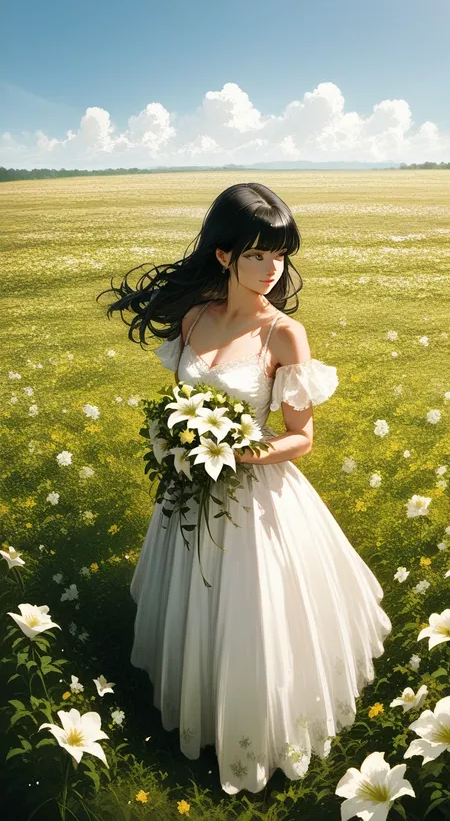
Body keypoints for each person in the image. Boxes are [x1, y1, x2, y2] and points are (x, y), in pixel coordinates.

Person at [96, 183, 392, 796]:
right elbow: (178, 403)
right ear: (225, 254)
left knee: (252, 620)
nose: (271, 269)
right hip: (187, 490)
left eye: (280, 255)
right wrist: (173, 440)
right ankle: (197, 699)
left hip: (256, 500)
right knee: (191, 602)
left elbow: (300, 440)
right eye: (258, 254)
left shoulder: (284, 334)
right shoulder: (195, 315)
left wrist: (234, 452)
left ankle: (255, 726)